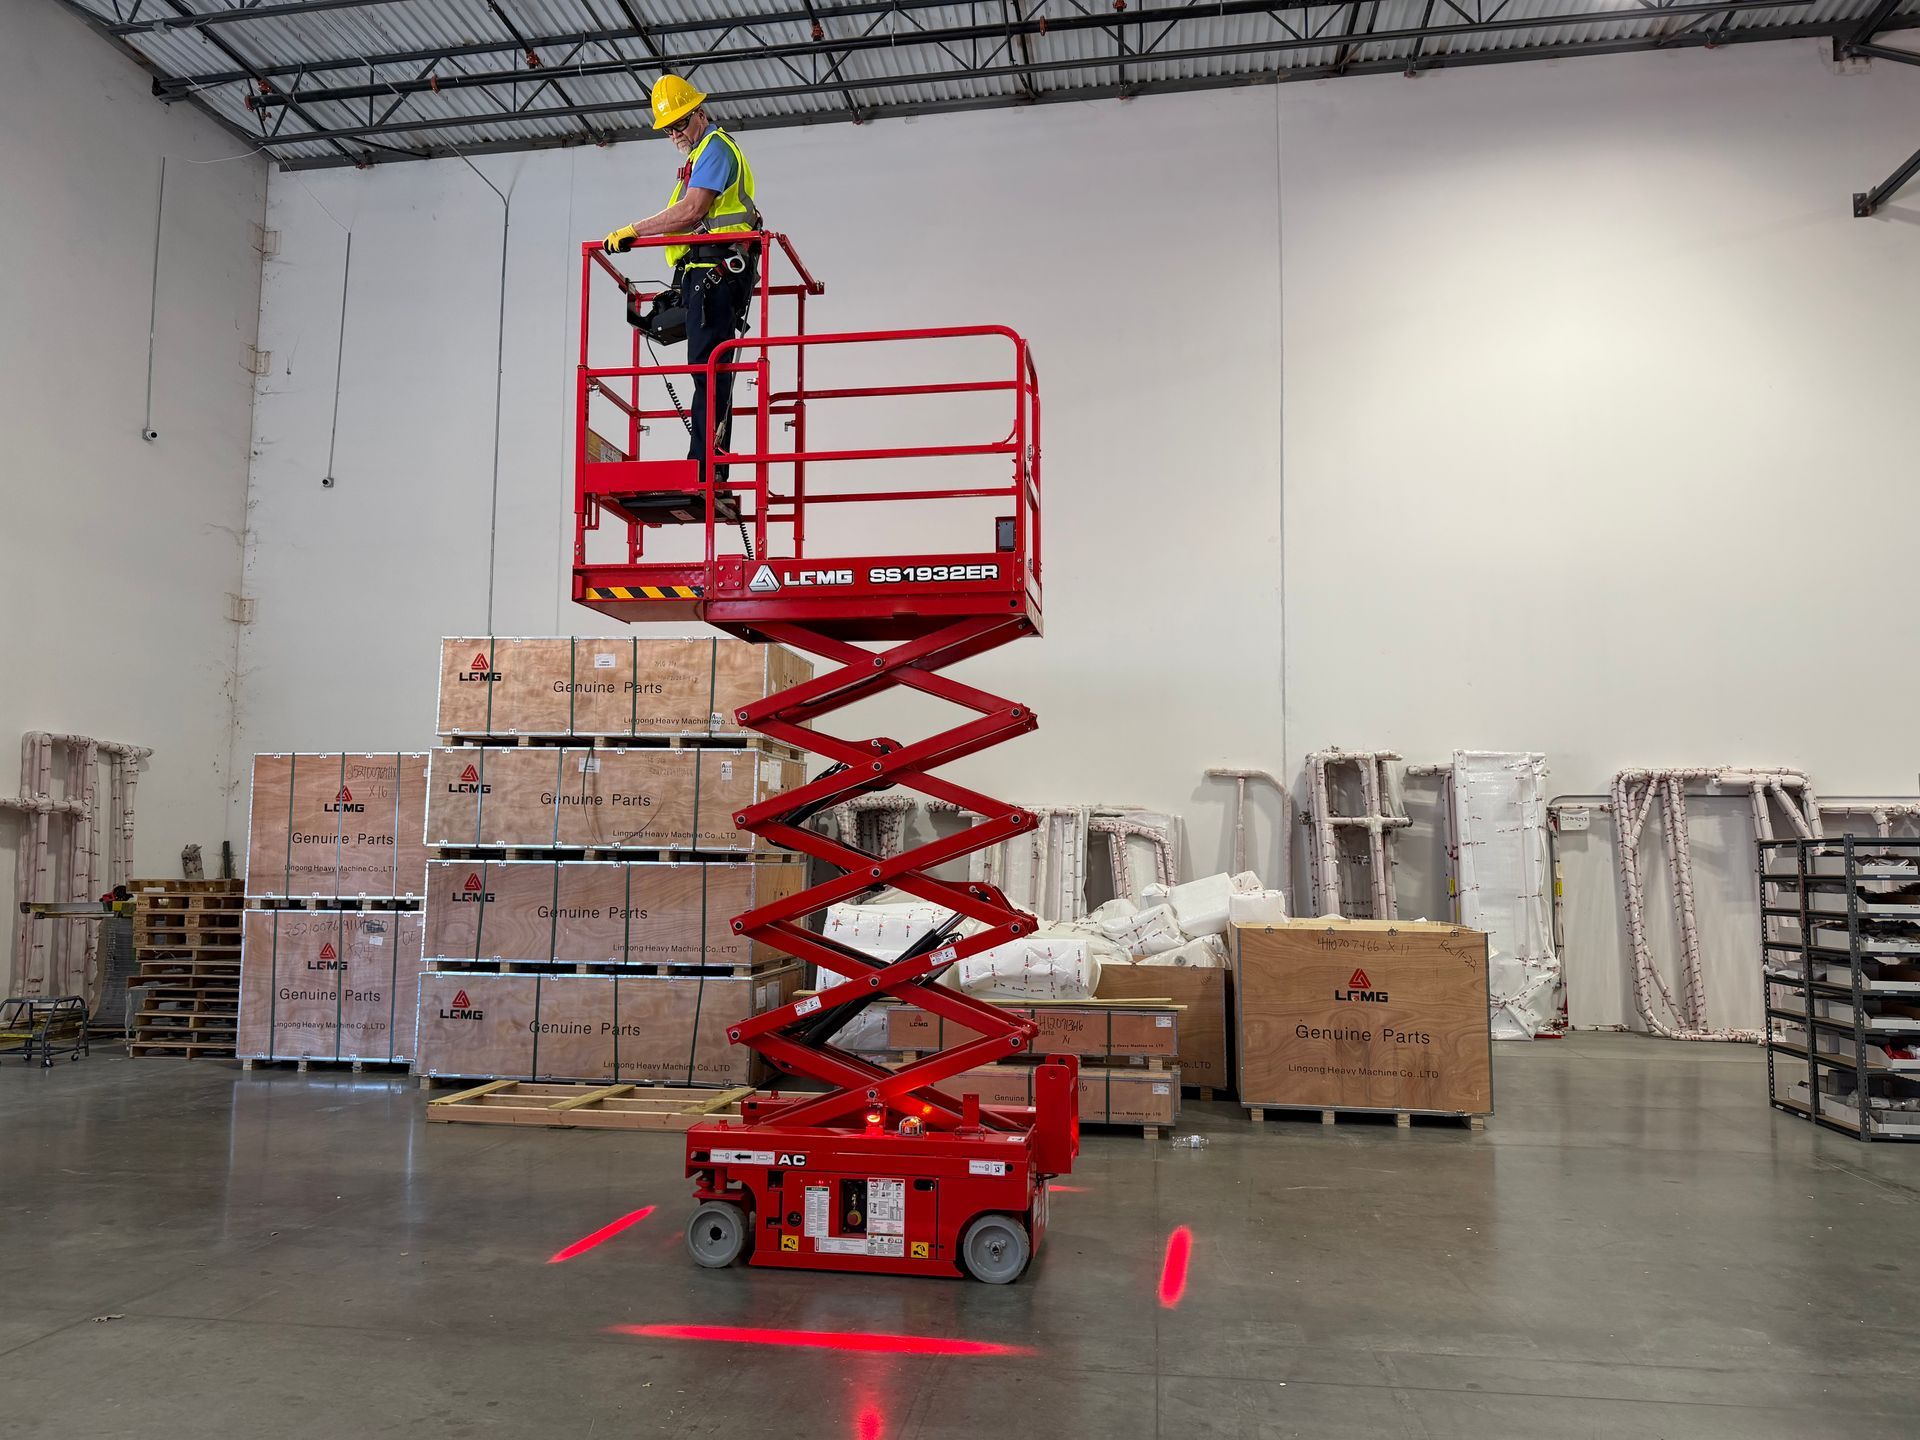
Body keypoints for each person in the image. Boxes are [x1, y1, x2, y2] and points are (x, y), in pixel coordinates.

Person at [604, 76, 761, 502]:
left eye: (679, 124)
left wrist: (634, 231)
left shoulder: (714, 149)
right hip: (706, 274)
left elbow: (693, 212)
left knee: (707, 370)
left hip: (716, 273)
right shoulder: (699, 157)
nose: (674, 134)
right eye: (668, 129)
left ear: (701, 114)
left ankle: (704, 468)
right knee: (707, 370)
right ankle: (707, 464)